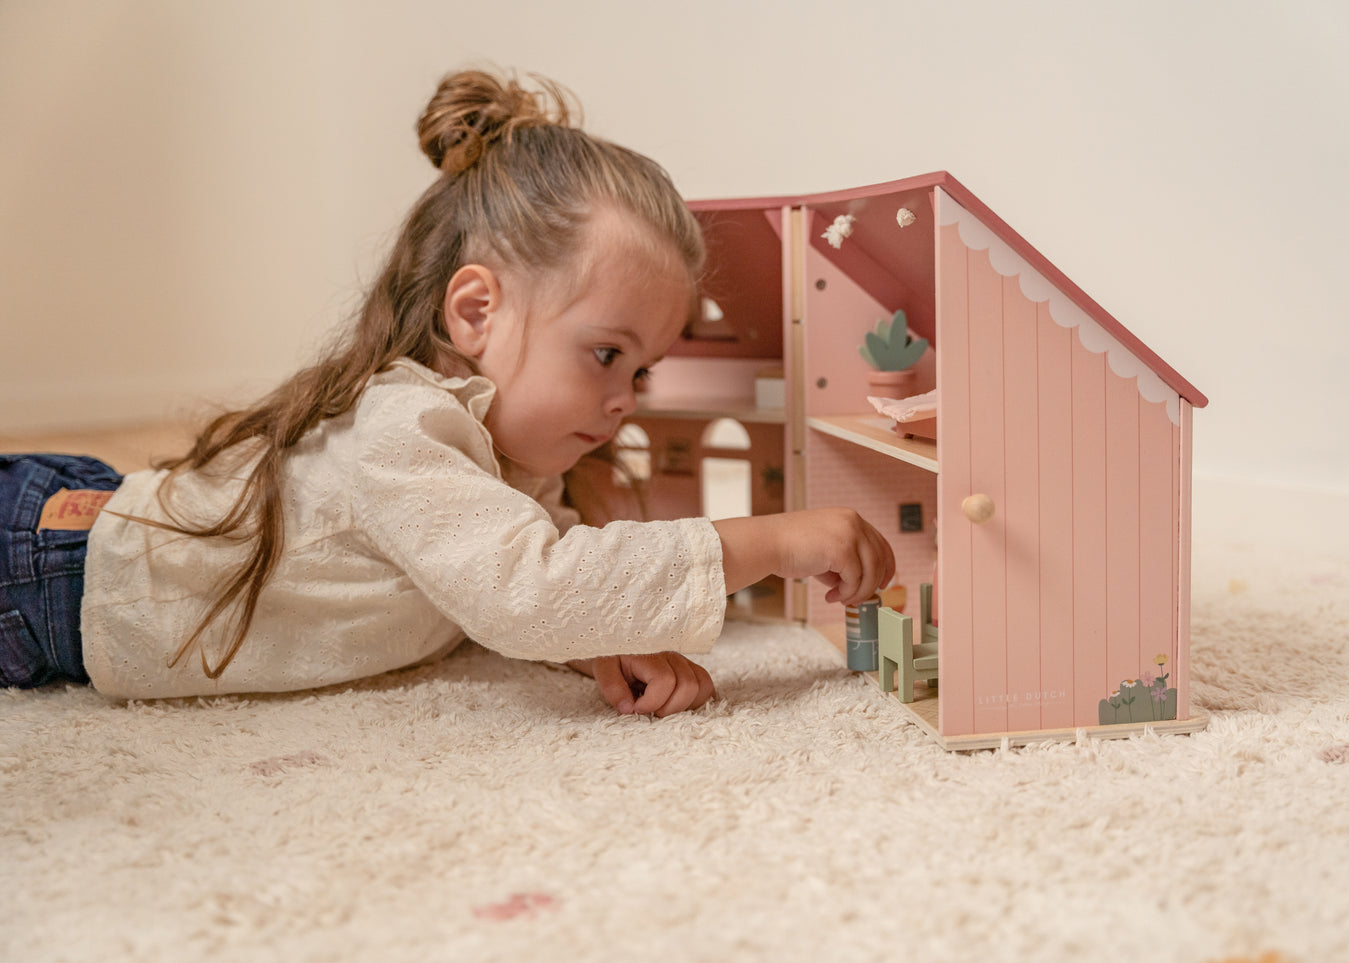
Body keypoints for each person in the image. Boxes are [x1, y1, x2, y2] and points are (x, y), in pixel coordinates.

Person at [0, 69, 895, 717]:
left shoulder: (496, 455)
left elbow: (513, 578)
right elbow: (529, 586)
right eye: (605, 353)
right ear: (476, 311)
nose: (626, 399)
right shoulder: (405, 427)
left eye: (641, 371)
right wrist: (769, 537)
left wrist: (594, 638)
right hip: (48, 568)